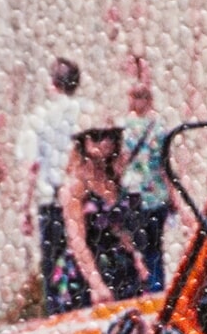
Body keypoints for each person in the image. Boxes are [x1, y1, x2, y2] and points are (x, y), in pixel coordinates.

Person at [49, 114, 150, 312]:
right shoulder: (75, 186)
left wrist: (137, 258)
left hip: (119, 266)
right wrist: (96, 285)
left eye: (110, 135)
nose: (104, 141)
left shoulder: (112, 178)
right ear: (84, 142)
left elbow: (117, 227)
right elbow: (77, 241)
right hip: (86, 273)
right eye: (96, 136)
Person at [16, 58, 84, 312]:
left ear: (52, 83)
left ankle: (60, 316)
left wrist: (24, 208)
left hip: (52, 201)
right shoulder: (87, 112)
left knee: (54, 265)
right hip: (85, 199)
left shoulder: (38, 119)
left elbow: (32, 167)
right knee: (86, 261)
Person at [119, 67, 174, 292]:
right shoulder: (160, 128)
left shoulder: (124, 128)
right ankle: (156, 289)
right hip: (156, 194)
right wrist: (172, 195)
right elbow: (165, 166)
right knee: (155, 248)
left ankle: (143, 289)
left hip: (133, 193)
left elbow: (121, 162)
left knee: (136, 247)